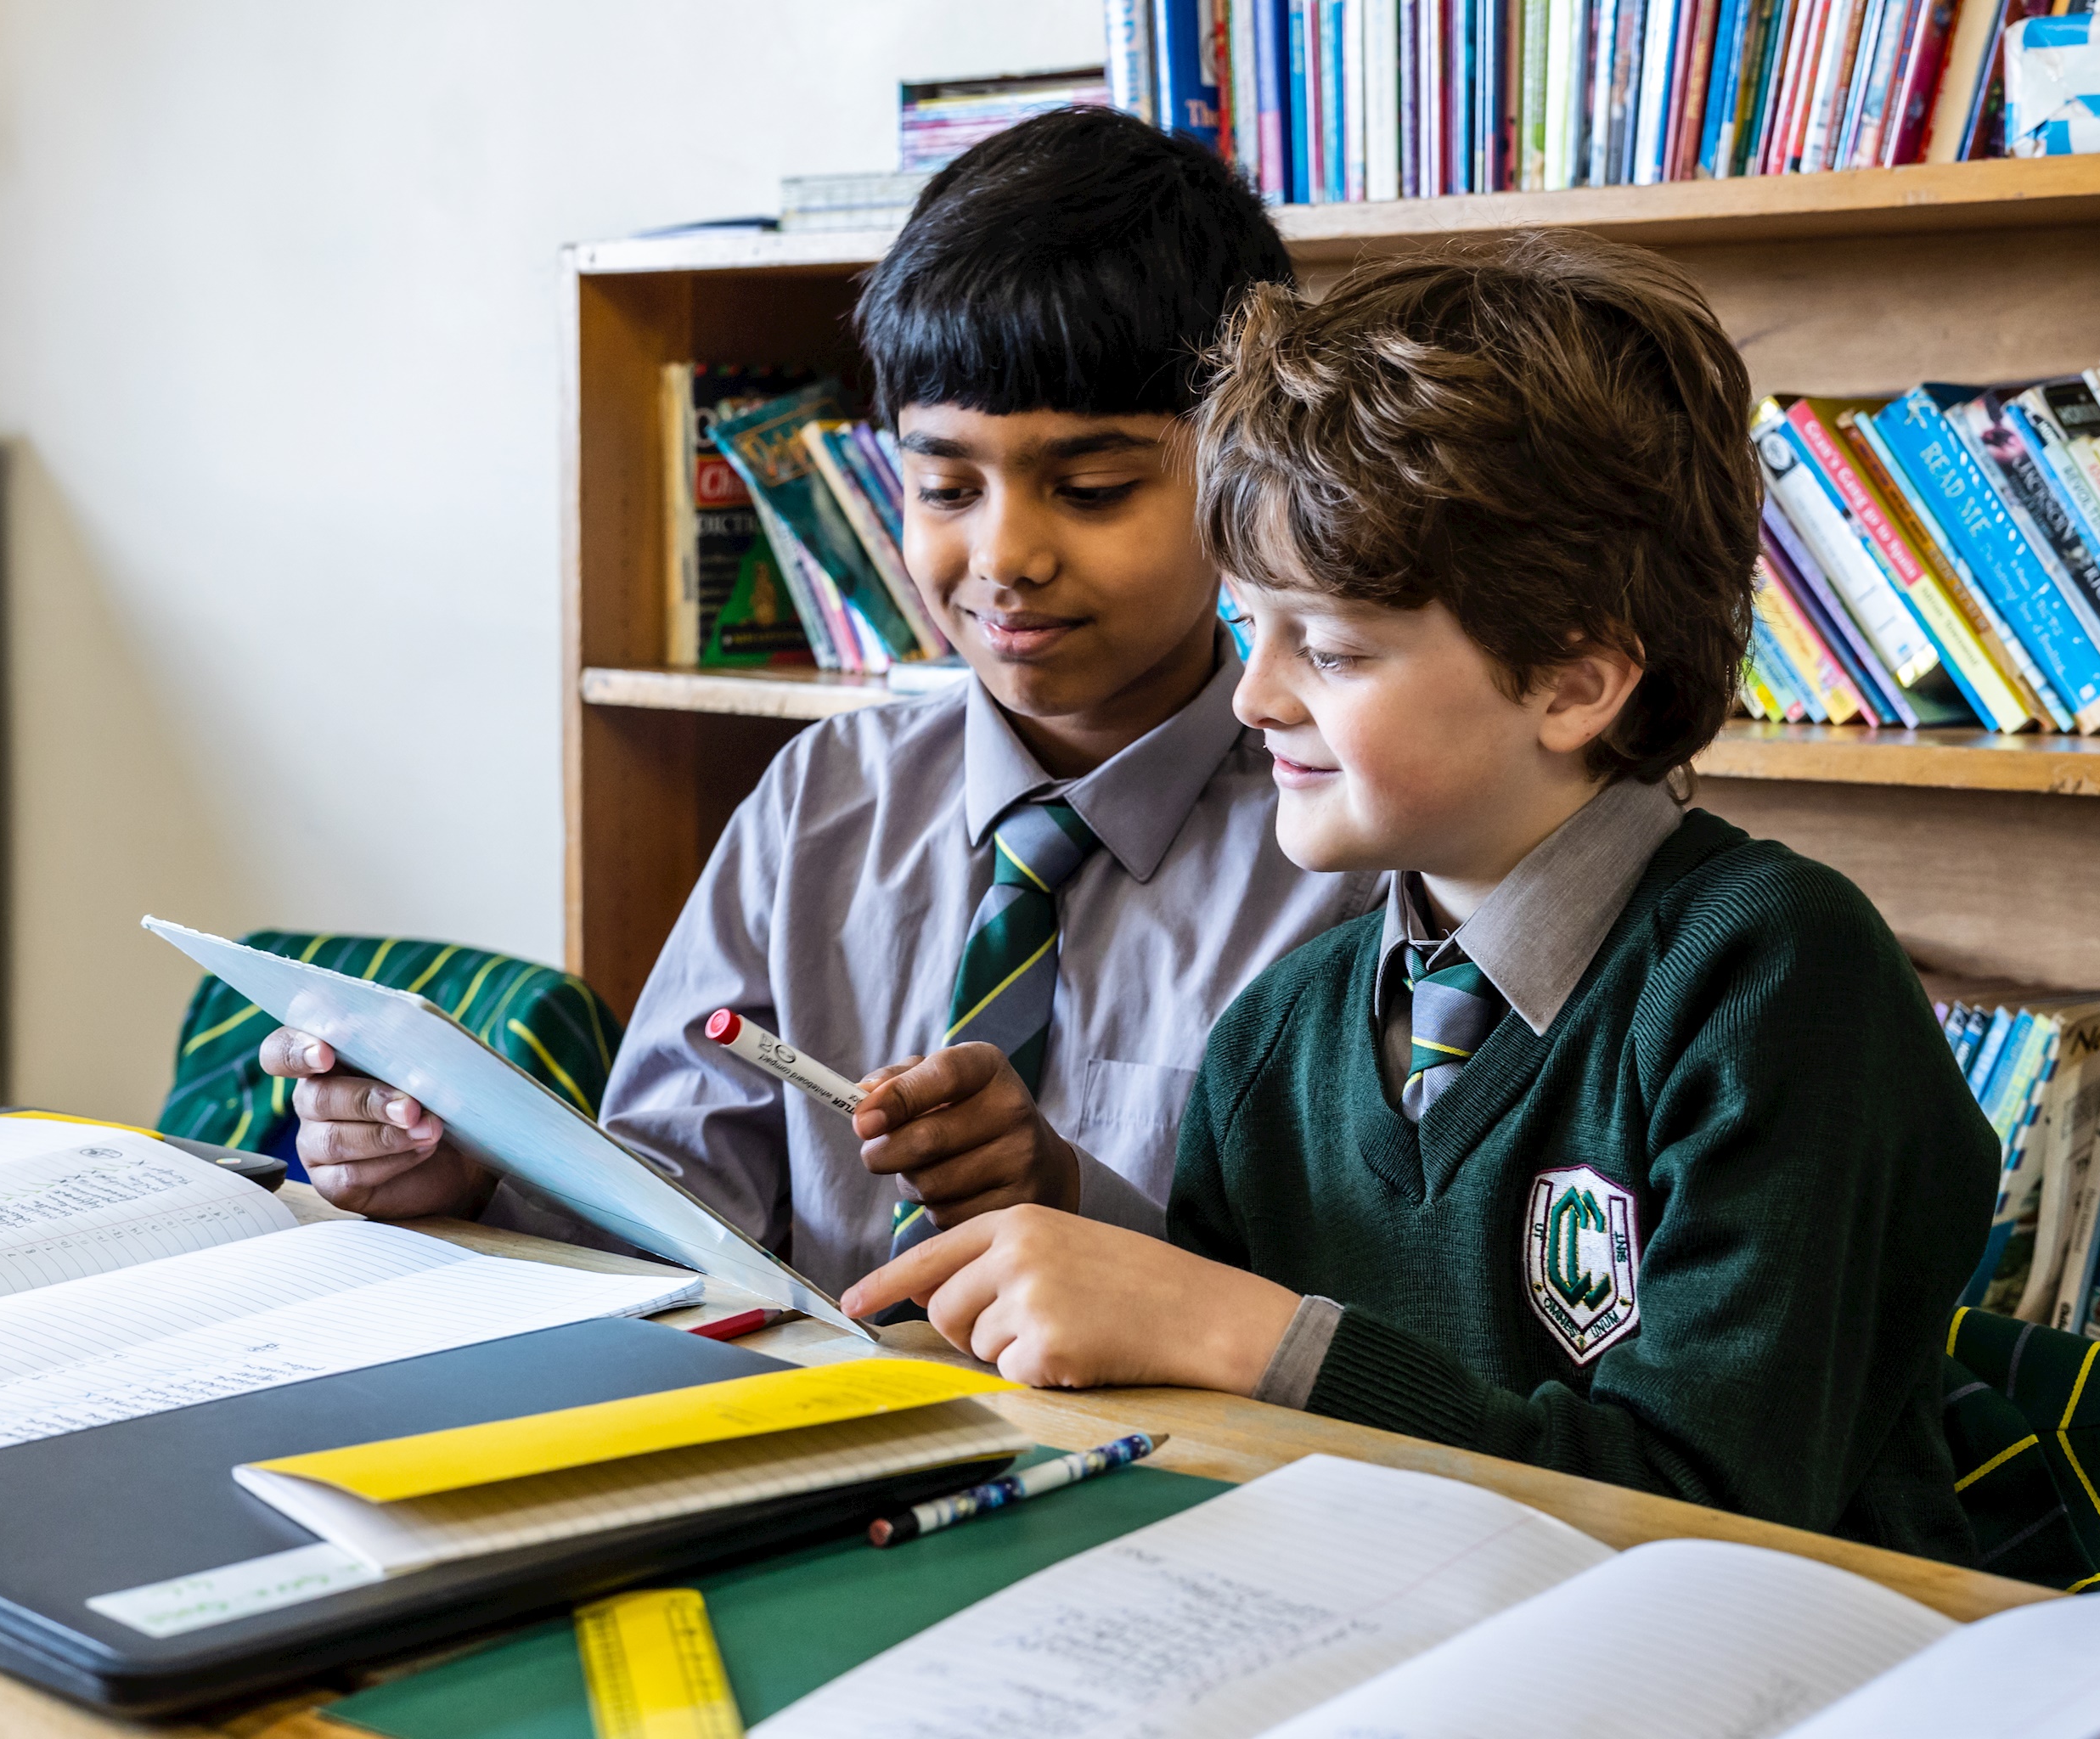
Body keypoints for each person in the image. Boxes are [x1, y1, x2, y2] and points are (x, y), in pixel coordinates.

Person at [842, 229, 1996, 1558]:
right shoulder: (1280, 1032)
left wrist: (1240, 1332)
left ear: (1573, 682)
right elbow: (1232, 1472)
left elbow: (1707, 1515)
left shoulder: (1773, 977)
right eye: (1244, 629)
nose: (1256, 696)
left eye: (1329, 648)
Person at [258, 107, 1378, 1292]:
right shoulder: (823, 801)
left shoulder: (1351, 840)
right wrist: (469, 1177)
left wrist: (1074, 1206)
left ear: (1246, 476)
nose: (1004, 556)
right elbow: (673, 1204)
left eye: (1092, 488)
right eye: (944, 485)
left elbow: (1354, 1312)